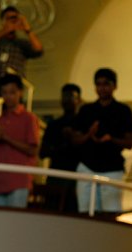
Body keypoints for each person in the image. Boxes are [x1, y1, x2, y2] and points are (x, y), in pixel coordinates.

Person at [70, 68, 132, 214]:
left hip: (112, 168)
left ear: (114, 86)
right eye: (98, 84)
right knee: (85, 211)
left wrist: (111, 139)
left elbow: (129, 143)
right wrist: (89, 135)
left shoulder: (123, 111)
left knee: (110, 212)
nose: (102, 88)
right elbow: (75, 140)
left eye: (106, 84)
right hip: (87, 165)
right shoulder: (86, 110)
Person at [0, 74, 39, 208]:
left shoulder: (29, 118)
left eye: (12, 92)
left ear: (20, 93)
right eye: (4, 92)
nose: (8, 96)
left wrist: (5, 138)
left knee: (15, 224)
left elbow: (33, 150)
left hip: (19, 181)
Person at [0, 6, 43, 102]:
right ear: (2, 21)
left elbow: (38, 50)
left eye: (14, 18)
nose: (12, 21)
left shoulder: (22, 43)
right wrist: (4, 30)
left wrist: (28, 30)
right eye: (8, 18)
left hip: (14, 91)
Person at [40, 83, 81, 212]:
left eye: (71, 97)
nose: (67, 101)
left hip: (76, 176)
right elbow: (42, 152)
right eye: (65, 97)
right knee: (52, 211)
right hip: (56, 176)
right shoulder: (54, 125)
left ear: (79, 100)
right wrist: (61, 146)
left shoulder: (83, 124)